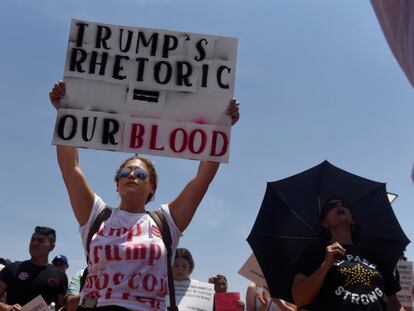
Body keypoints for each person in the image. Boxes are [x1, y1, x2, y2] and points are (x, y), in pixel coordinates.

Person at [49, 80, 240, 311]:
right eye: (124, 172)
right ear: (116, 185)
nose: (131, 175)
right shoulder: (96, 216)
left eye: (140, 173)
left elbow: (202, 180)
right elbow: (71, 170)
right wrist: (65, 112)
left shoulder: (166, 222)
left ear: (152, 188)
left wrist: (222, 127)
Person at [291, 198, 404, 310]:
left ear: (352, 220)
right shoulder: (316, 251)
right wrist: (325, 265)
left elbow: (394, 305)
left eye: (344, 204)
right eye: (331, 206)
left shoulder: (373, 253)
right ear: (324, 223)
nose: (339, 206)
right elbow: (299, 298)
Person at [0, 226, 68, 310]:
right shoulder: (12, 268)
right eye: (33, 239)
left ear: (52, 246)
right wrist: (7, 308)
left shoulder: (60, 276)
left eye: (40, 240)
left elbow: (61, 308)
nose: (35, 243)